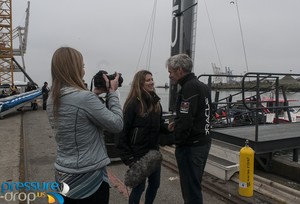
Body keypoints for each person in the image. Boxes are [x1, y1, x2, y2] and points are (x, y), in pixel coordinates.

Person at [46, 47, 123, 204]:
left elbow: (77, 110)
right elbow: (117, 124)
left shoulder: (52, 98)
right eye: (81, 65)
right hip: (88, 178)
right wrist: (112, 92)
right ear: (73, 68)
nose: (83, 69)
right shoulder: (84, 99)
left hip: (63, 174)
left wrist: (94, 94)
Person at [118, 70, 170, 204]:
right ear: (140, 83)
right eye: (148, 80)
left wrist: (169, 127)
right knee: (138, 188)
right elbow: (122, 133)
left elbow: (159, 125)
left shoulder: (156, 103)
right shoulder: (132, 105)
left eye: (152, 79)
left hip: (153, 153)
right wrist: (128, 158)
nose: (152, 82)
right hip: (138, 155)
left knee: (155, 185)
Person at [166, 53, 212, 204]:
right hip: (203, 142)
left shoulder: (189, 87)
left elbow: (186, 121)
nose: (170, 75)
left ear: (179, 70)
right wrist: (177, 121)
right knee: (194, 185)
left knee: (190, 190)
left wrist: (177, 141)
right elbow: (202, 113)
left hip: (191, 147)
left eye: (171, 72)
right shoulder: (202, 86)